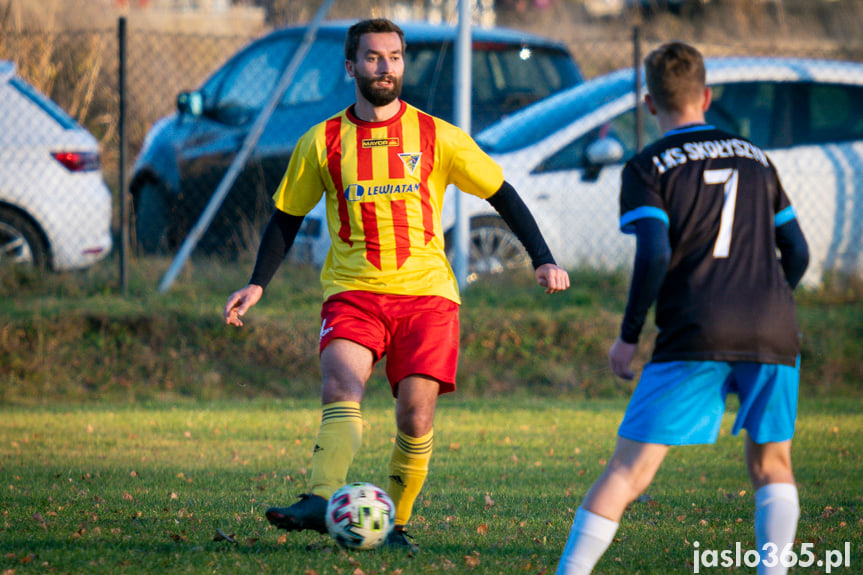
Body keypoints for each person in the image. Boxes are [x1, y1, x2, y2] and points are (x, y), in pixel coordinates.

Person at [223, 18, 570, 552]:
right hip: (354, 291)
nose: (384, 68)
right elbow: (286, 217)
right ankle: (319, 499)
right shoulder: (322, 141)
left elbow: (501, 193)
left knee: (415, 413)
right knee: (341, 386)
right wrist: (257, 284)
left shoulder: (438, 135)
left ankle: (395, 524)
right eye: (372, 58)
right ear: (350, 66)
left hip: (428, 296)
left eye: (394, 57)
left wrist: (542, 258)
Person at [556, 41, 809, 575]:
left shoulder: (648, 165)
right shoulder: (759, 159)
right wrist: (770, 301)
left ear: (650, 103)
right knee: (772, 464)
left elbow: (653, 250)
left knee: (629, 470)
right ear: (707, 95)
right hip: (772, 328)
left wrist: (629, 335)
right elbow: (798, 251)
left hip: (697, 326)